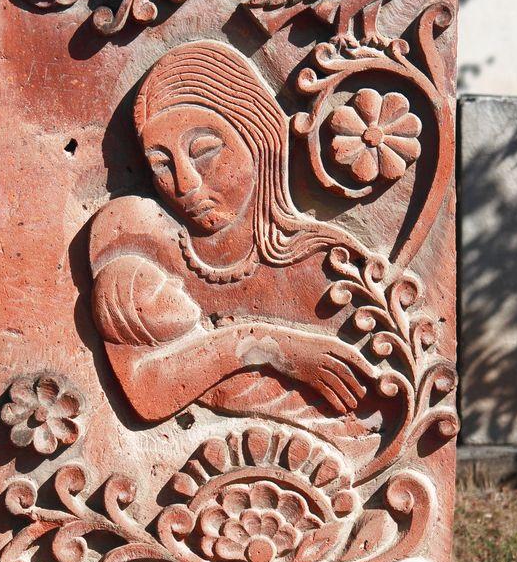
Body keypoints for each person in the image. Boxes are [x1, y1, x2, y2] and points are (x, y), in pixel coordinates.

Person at [89, 40, 380, 445]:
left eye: (204, 150)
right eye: (160, 164)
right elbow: (145, 392)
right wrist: (263, 344)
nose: (185, 183)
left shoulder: (331, 267)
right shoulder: (137, 237)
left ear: (257, 137)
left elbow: (375, 414)